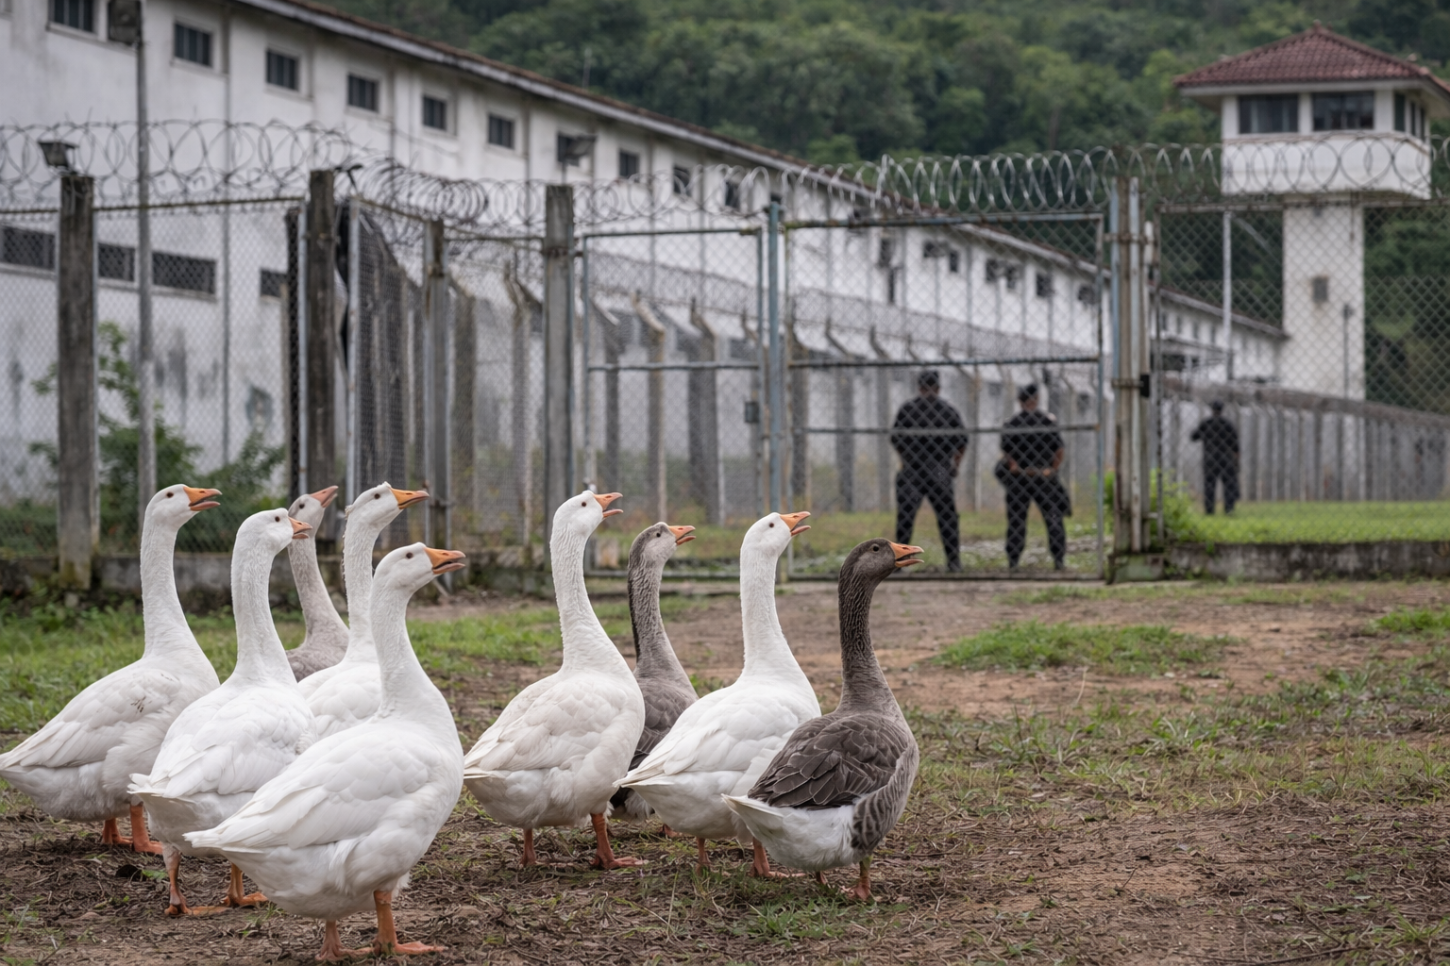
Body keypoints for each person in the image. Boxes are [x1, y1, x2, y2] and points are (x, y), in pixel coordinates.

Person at [890, 370, 968, 572]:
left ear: (920, 387)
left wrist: (906, 459)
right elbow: (962, 443)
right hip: (939, 468)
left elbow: (896, 440)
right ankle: (953, 562)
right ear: (939, 387)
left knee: (906, 517)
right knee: (947, 517)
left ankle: (900, 563)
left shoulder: (908, 409)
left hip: (912, 469)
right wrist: (954, 466)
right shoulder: (948, 410)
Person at [1000, 384, 1067, 570]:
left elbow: (1007, 454)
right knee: (1053, 517)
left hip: (1019, 478)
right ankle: (1058, 559)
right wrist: (1052, 470)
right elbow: (1059, 450)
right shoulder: (1047, 421)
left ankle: (1013, 560)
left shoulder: (1012, 423)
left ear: (1019, 401)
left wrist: (1015, 467)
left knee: (1016, 519)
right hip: (1044, 477)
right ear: (1036, 399)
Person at [1190, 400, 1240, 514]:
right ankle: (1229, 509)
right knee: (1229, 484)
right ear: (1222, 409)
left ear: (1212, 409)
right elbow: (1235, 443)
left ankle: (1209, 510)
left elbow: (1193, 437)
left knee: (1209, 484)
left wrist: (1204, 433)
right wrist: (1236, 458)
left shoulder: (1206, 423)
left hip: (1210, 458)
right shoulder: (1227, 424)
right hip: (1225, 458)